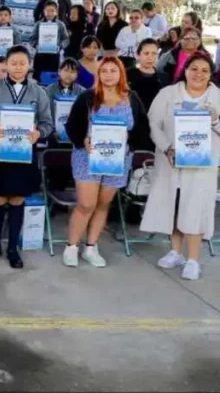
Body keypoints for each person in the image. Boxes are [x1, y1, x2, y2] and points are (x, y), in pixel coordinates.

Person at [61, 57, 148, 268]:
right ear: (98, 75)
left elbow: (142, 128)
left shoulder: (132, 98)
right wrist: (83, 139)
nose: (109, 74)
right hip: (87, 158)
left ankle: (91, 246)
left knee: (103, 204)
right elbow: (72, 126)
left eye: (113, 70)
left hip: (118, 160)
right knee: (86, 204)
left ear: (121, 74)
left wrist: (130, 143)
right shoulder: (87, 97)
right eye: (104, 71)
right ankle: (71, 246)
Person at [0, 45, 54, 269]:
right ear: (6, 65)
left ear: (30, 65)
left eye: (22, 63)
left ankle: (12, 249)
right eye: (13, 63)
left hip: (24, 153)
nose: (18, 67)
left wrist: (40, 133)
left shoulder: (39, 92)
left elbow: (48, 123)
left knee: (17, 199)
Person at [142, 51, 220, 281]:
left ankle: (193, 259)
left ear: (211, 74)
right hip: (170, 161)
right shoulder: (168, 93)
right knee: (173, 206)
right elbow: (154, 123)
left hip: (202, 165)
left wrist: (215, 119)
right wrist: (167, 147)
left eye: (205, 70)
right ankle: (175, 252)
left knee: (194, 208)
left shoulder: (217, 97)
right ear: (185, 70)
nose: (199, 74)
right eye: (194, 68)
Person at [127, 38, 162, 114]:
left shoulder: (163, 77)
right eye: (146, 53)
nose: (150, 57)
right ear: (138, 55)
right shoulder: (128, 74)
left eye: (154, 53)